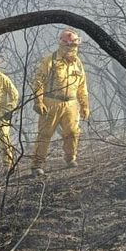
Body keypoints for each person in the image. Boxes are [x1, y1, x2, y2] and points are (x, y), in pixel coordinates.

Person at [31, 29, 90, 176]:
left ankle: (70, 158)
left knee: (72, 133)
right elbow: (39, 81)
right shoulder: (50, 60)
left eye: (74, 44)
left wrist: (84, 105)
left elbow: (82, 86)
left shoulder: (77, 63)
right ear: (61, 44)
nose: (71, 47)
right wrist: (38, 101)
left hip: (71, 103)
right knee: (45, 134)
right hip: (51, 102)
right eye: (68, 44)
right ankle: (37, 164)